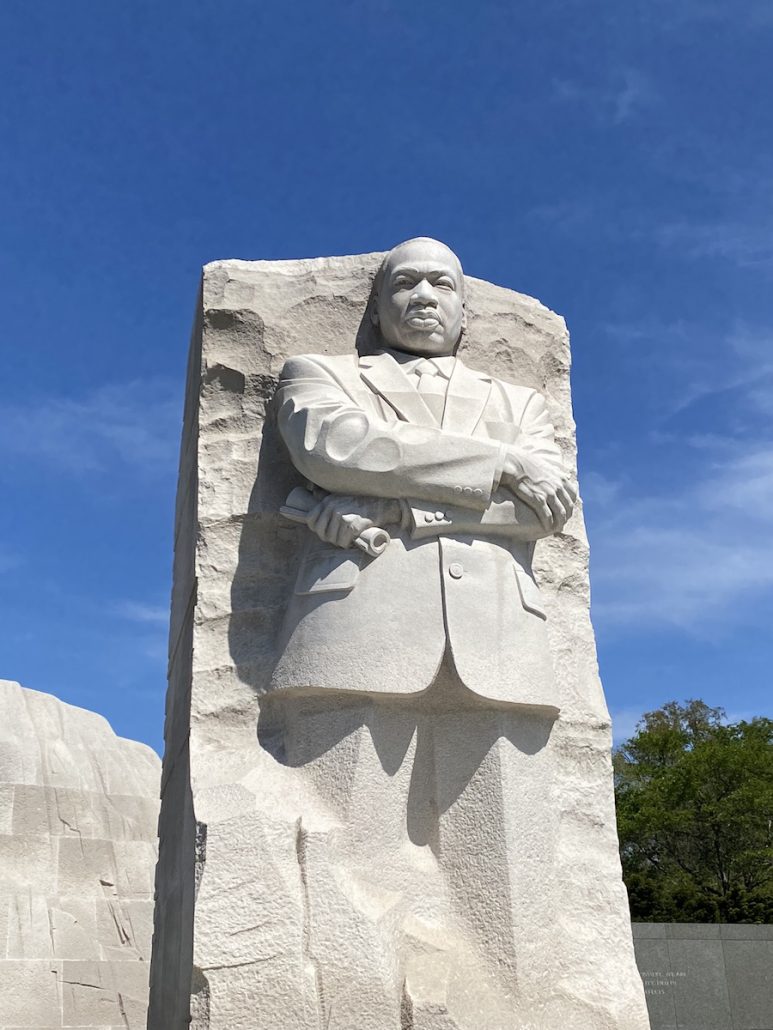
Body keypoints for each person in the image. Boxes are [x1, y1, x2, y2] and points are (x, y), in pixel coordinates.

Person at [271, 236, 575, 711]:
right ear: (375, 310)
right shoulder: (320, 374)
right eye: (406, 283)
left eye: (442, 284)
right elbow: (336, 448)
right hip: (352, 631)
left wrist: (394, 506)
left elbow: (543, 511)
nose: (425, 296)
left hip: (504, 643)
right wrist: (504, 462)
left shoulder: (523, 404)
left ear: (463, 311)